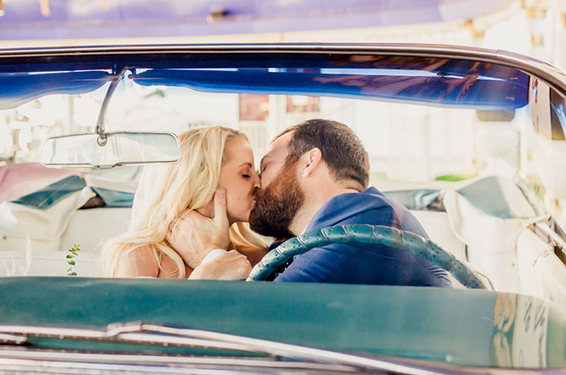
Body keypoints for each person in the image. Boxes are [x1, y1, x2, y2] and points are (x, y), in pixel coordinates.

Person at [168, 119, 452, 286]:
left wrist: (209, 256)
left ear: (309, 163)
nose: (257, 184)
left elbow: (256, 317)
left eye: (264, 168)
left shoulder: (368, 225)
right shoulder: (316, 235)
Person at [102, 126, 267, 279]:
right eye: (245, 174)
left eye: (256, 172)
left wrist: (212, 255)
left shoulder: (257, 258)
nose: (258, 183)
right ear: (203, 181)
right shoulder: (138, 256)